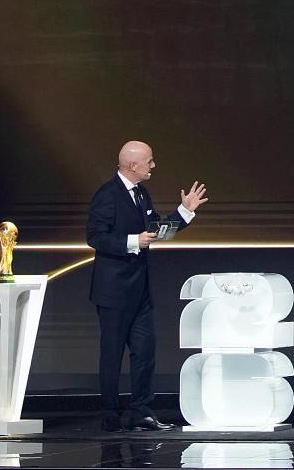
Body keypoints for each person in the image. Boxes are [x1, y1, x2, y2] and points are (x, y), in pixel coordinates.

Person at [86, 140, 209, 432]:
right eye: (149, 161)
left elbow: (157, 231)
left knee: (145, 351)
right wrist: (132, 241)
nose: (153, 166)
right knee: (112, 353)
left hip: (140, 291)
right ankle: (111, 414)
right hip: (114, 291)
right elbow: (95, 237)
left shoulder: (141, 194)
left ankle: (141, 411)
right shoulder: (107, 195)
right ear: (132, 166)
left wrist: (184, 211)